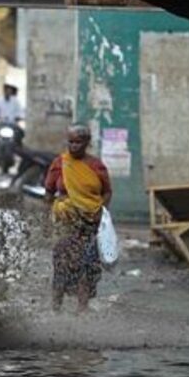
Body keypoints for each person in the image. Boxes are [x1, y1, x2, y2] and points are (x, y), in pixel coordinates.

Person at [44, 124, 113, 313]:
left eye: (78, 142)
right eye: (70, 141)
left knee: (87, 265)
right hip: (65, 223)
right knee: (61, 264)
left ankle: (82, 308)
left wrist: (101, 213)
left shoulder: (96, 166)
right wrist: (47, 221)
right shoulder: (60, 163)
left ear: (87, 143)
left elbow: (107, 192)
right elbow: (49, 192)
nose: (73, 146)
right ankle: (55, 307)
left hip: (89, 224)